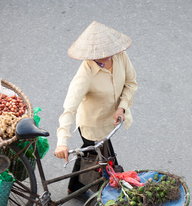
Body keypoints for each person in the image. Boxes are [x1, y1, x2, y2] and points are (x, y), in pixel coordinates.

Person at [54, 21, 138, 194]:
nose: (107, 56)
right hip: (92, 126)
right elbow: (69, 109)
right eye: (101, 54)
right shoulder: (85, 75)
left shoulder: (120, 56)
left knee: (88, 154)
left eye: (109, 52)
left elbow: (131, 83)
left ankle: (74, 187)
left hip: (111, 123)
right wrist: (62, 143)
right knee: (111, 170)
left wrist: (121, 107)